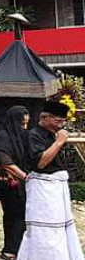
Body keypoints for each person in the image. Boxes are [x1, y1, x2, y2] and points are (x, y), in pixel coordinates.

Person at [17, 101, 85, 260]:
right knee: (45, 226)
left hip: (57, 186)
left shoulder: (54, 134)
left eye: (63, 122)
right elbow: (40, 162)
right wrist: (59, 142)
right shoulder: (33, 135)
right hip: (42, 186)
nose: (60, 125)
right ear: (45, 118)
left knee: (60, 225)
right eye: (57, 121)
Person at [0, 106, 29, 259]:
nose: (24, 128)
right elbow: (6, 162)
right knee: (14, 216)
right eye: (22, 124)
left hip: (22, 183)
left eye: (26, 124)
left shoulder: (21, 137)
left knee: (22, 216)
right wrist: (25, 177)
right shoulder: (3, 137)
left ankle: (19, 248)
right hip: (10, 184)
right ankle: (10, 249)